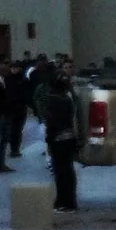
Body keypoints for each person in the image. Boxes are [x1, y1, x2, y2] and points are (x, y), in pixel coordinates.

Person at [43, 73, 80, 213]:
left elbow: (51, 122)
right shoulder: (68, 98)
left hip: (58, 140)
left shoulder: (52, 99)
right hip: (70, 138)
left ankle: (62, 202)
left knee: (60, 173)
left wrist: (49, 139)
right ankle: (70, 201)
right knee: (68, 171)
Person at [5, 59, 30, 157]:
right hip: (10, 108)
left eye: (15, 68)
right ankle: (13, 149)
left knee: (18, 129)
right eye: (12, 68)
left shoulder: (24, 80)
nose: (13, 69)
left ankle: (16, 149)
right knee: (12, 129)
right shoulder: (7, 79)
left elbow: (27, 93)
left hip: (20, 108)